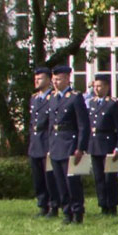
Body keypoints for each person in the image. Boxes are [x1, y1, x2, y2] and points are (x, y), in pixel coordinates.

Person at [48, 65, 91, 224]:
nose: (55, 83)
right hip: (56, 143)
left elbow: (83, 125)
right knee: (59, 181)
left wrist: (81, 147)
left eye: (59, 79)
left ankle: (77, 211)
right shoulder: (52, 98)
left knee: (72, 181)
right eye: (54, 80)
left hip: (70, 143)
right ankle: (66, 211)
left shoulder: (75, 97)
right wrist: (49, 144)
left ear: (67, 79)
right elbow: (50, 124)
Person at [88, 74, 118, 216]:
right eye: (95, 86)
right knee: (98, 177)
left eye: (100, 86)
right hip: (94, 143)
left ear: (107, 87)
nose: (97, 89)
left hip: (108, 143)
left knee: (109, 177)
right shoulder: (91, 103)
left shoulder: (112, 104)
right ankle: (102, 204)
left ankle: (112, 205)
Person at [28, 66, 59, 218]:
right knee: (38, 177)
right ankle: (42, 205)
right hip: (35, 142)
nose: (36, 81)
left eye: (40, 78)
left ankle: (53, 205)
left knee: (50, 177)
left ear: (48, 80)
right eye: (36, 78)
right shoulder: (34, 98)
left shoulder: (53, 97)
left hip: (47, 142)